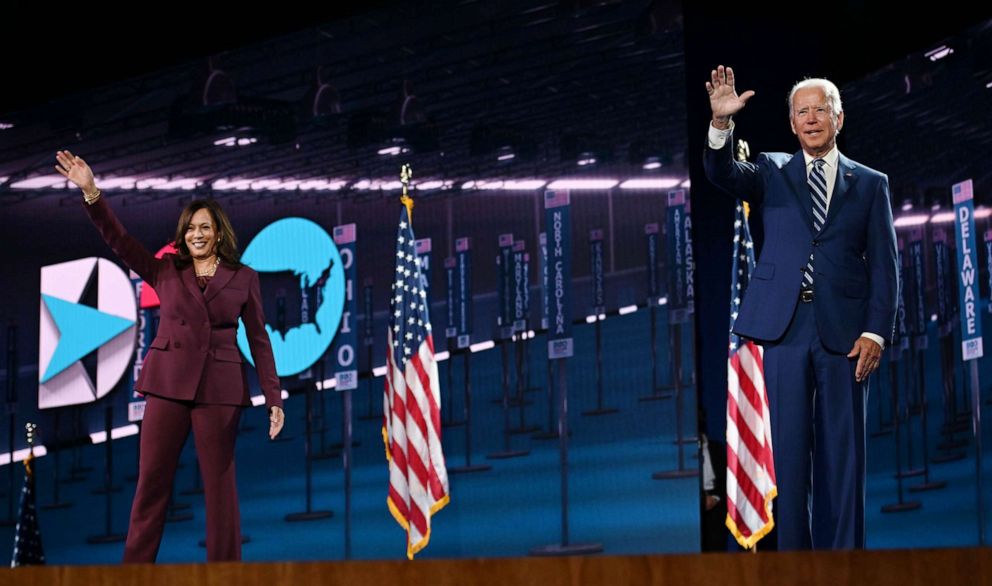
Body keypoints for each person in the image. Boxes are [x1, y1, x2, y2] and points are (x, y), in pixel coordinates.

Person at [55, 150, 286, 562]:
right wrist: (92, 193)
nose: (197, 234)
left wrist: (273, 398)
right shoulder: (166, 269)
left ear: (218, 234)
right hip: (167, 388)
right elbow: (121, 242)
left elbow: (259, 339)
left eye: (205, 227)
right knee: (151, 485)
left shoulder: (243, 277)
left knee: (220, 489)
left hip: (219, 390)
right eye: (191, 228)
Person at [702, 66, 898, 549]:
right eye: (801, 112)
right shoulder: (770, 170)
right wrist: (721, 125)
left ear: (838, 117)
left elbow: (886, 265)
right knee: (788, 455)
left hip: (846, 334)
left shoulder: (871, 184)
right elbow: (721, 172)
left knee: (844, 457)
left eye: (820, 110)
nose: (811, 119)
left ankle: (846, 565)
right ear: (791, 124)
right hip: (784, 329)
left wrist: (875, 331)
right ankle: (797, 566)